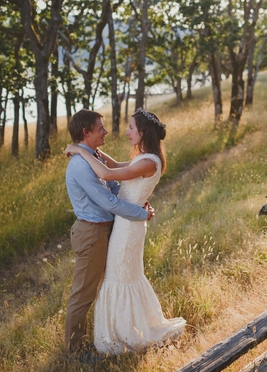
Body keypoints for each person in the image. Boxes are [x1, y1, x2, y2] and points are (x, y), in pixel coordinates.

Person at [65, 108, 185, 355]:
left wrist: (80, 150)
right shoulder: (144, 158)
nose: (125, 132)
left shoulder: (148, 161)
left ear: (144, 132)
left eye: (131, 128)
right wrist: (89, 152)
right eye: (101, 128)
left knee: (121, 278)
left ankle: (125, 332)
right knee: (114, 280)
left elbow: (108, 174)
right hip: (119, 224)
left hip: (127, 226)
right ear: (87, 132)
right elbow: (114, 167)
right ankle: (86, 344)